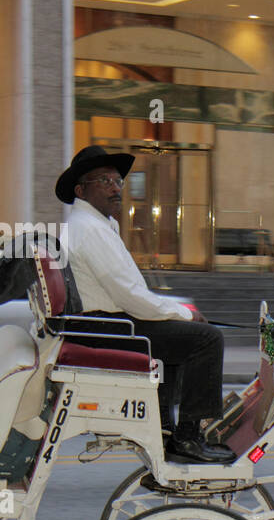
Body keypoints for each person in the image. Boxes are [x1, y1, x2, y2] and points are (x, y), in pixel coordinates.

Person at [55, 145, 234, 463]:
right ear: (81, 190)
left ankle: (166, 431)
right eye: (104, 180)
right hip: (105, 326)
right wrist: (186, 313)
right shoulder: (90, 230)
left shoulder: (96, 225)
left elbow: (132, 294)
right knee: (206, 340)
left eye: (117, 181)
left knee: (177, 334)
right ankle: (188, 438)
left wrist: (178, 314)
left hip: (104, 321)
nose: (114, 188)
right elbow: (130, 296)